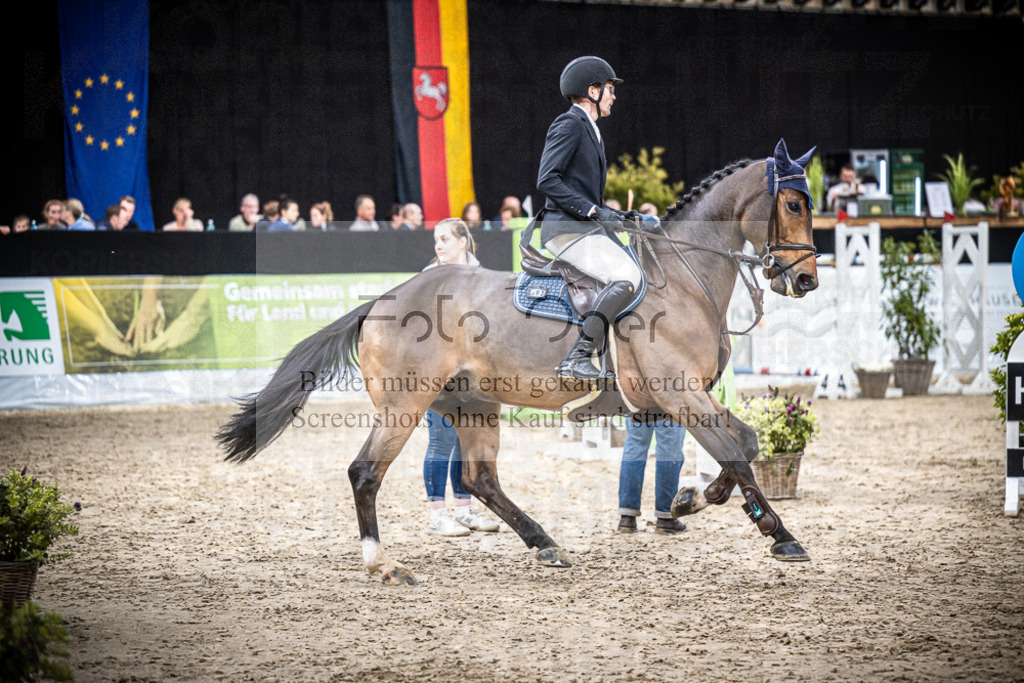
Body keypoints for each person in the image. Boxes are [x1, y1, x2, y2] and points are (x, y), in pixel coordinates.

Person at [536, 55, 647, 381]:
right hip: (565, 229)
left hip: (583, 227)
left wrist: (616, 215)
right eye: (610, 89)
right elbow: (547, 179)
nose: (614, 96)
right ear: (592, 90)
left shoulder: (591, 129)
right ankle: (578, 355)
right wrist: (595, 211)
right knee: (628, 275)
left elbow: (583, 192)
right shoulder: (570, 123)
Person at [421, 217, 499, 536]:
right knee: (441, 441)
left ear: (462, 242)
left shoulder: (482, 277)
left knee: (468, 442)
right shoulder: (428, 278)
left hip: (473, 375)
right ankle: (437, 514)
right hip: (437, 373)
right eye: (436, 240)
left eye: (445, 239)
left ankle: (464, 509)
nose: (438, 245)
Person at [617, 418, 688, 534]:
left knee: (635, 445)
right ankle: (666, 517)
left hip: (636, 401)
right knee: (669, 447)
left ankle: (627, 517)